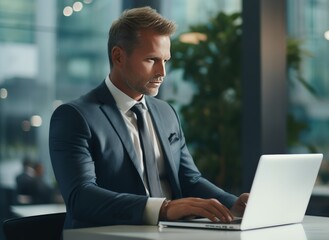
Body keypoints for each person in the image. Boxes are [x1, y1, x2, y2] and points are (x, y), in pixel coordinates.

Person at [49, 6, 248, 229]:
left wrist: (232, 203)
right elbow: (80, 197)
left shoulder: (166, 113)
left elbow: (189, 180)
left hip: (170, 233)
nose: (162, 72)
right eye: (152, 60)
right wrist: (163, 209)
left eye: (166, 60)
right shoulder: (75, 117)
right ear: (118, 56)